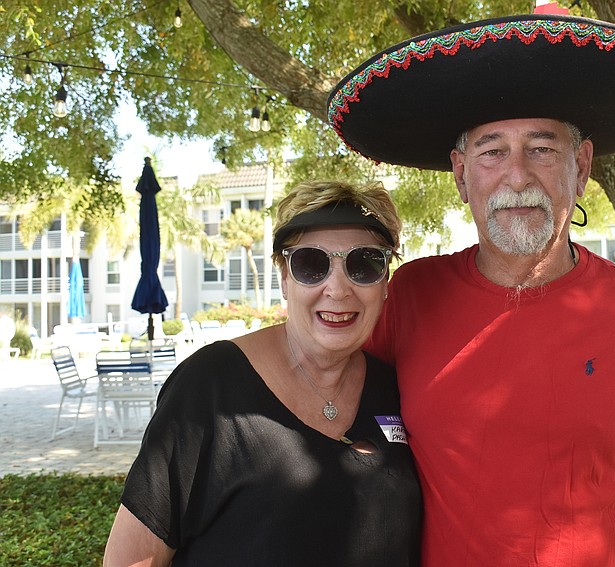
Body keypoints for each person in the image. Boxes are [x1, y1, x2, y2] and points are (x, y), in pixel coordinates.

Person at [328, 11, 615, 567]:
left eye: (542, 149)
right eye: (492, 151)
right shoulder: (408, 297)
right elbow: (318, 400)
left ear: (581, 166)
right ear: (462, 174)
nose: (517, 176)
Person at [103, 180, 422, 566]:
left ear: (385, 281)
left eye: (365, 263)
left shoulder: (396, 386)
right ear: (284, 277)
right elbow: (133, 559)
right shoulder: (209, 387)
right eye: (311, 264)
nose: (337, 289)